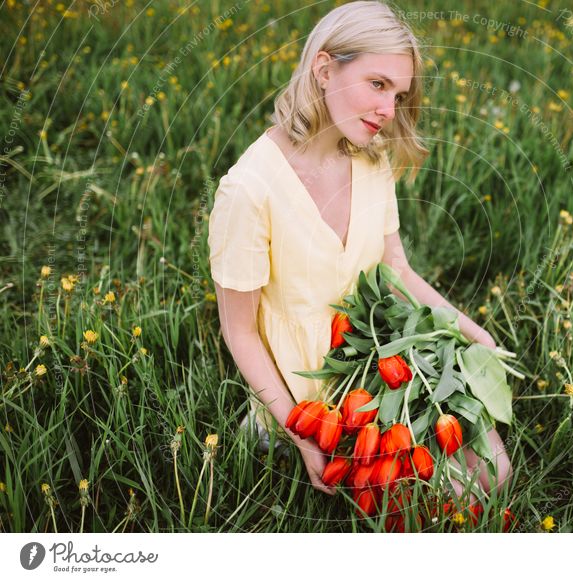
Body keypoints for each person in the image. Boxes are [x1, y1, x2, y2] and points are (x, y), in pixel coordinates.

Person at [207, 0, 512, 505]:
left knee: (494, 478)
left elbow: (395, 269)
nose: (388, 111)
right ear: (324, 69)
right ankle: (267, 439)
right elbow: (238, 331)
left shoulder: (372, 158)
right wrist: (300, 433)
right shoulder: (248, 189)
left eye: (398, 94)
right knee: (445, 503)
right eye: (377, 84)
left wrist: (473, 333)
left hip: (379, 361)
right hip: (307, 390)